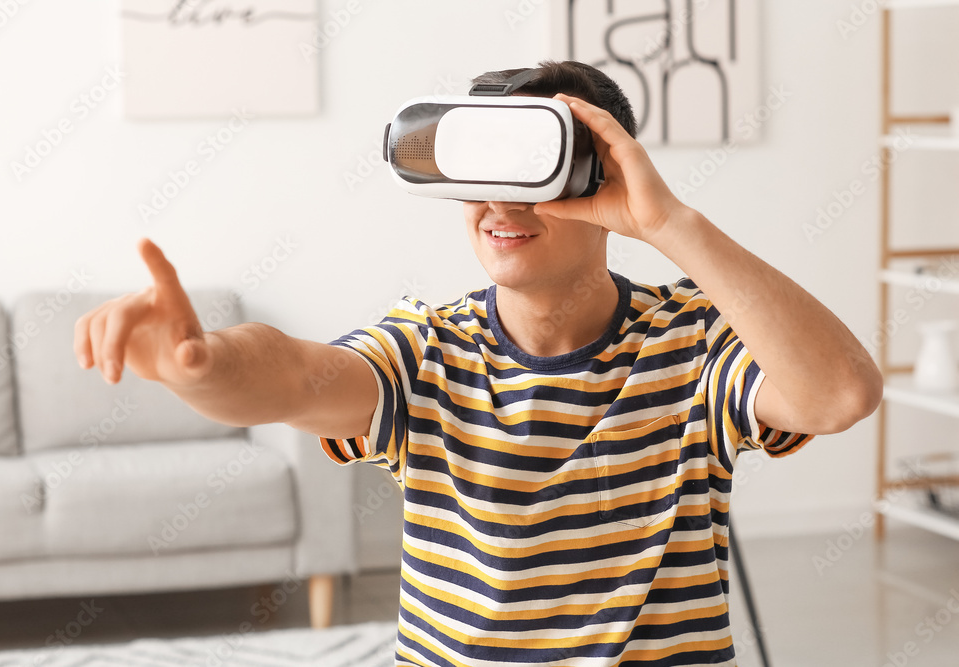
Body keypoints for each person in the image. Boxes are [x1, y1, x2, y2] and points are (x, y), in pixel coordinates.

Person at [74, 60, 883, 666]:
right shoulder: (425, 349)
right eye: (478, 170)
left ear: (605, 176)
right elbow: (288, 374)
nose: (498, 204)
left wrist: (668, 221)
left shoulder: (693, 342)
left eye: (531, 169)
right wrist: (198, 363)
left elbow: (841, 392)